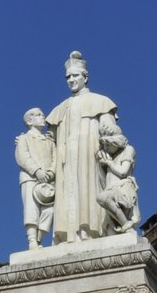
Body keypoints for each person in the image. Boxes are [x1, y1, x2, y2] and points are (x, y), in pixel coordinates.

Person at [46, 50, 119, 243]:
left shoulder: (100, 101)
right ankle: (67, 235)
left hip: (89, 155)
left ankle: (90, 231)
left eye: (75, 75)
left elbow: (112, 129)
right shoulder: (60, 109)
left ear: (85, 77)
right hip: (65, 161)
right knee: (66, 193)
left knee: (89, 189)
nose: (71, 80)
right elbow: (49, 143)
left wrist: (109, 128)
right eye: (68, 77)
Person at [15, 107, 56, 249]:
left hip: (48, 180)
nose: (42, 117)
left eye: (42, 115)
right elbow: (22, 157)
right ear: (29, 121)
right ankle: (32, 240)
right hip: (30, 178)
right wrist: (37, 171)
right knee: (31, 209)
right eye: (38, 115)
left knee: (50, 209)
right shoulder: (24, 138)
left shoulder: (50, 142)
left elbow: (56, 159)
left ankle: (39, 237)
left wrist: (50, 173)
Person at [94, 118, 139, 235]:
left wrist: (109, 163)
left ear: (115, 142)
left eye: (107, 144)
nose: (105, 148)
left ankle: (126, 225)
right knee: (110, 233)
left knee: (102, 198)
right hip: (111, 190)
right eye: (103, 145)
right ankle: (125, 227)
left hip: (122, 188)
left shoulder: (128, 150)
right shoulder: (111, 155)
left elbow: (123, 172)